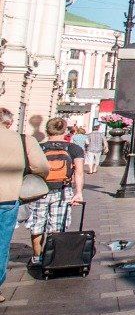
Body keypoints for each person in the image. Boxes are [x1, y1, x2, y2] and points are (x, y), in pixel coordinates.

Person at [0, 109, 47, 301]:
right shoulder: (24, 140)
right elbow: (42, 167)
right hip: (8, 198)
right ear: (9, 123)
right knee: (2, 244)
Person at [30, 117, 84, 266]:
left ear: (47, 130)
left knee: (37, 224)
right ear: (65, 131)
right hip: (63, 190)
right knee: (58, 225)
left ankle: (36, 257)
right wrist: (78, 192)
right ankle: (53, 256)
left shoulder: (38, 147)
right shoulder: (74, 149)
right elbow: (78, 172)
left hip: (39, 189)